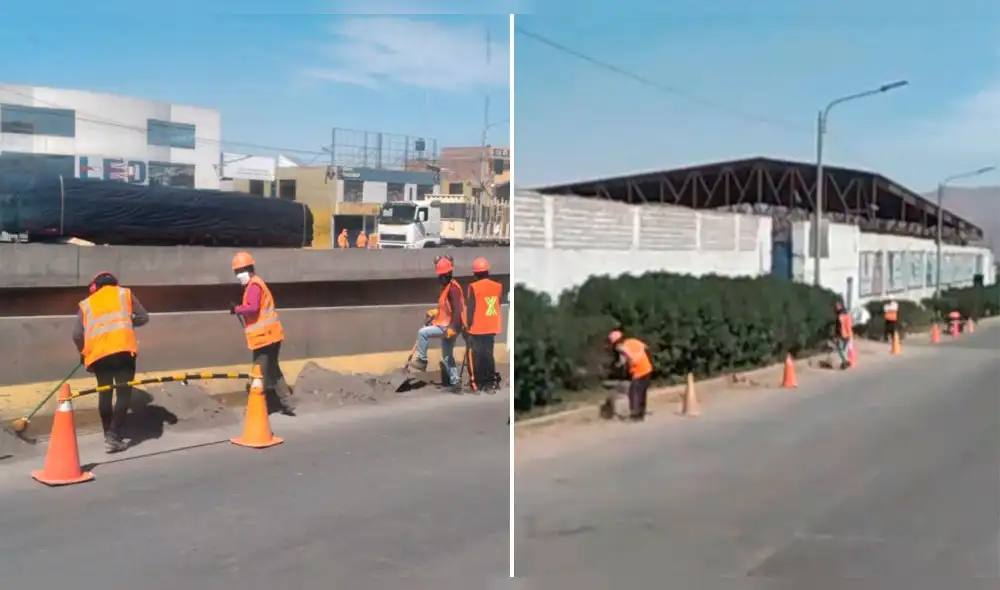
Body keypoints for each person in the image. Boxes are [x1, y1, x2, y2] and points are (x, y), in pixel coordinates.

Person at [72, 271, 150, 453]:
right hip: (123, 351)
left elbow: (76, 334)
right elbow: (144, 317)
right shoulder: (124, 294)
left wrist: (84, 352)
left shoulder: (86, 304)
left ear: (95, 287)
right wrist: (128, 320)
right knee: (123, 393)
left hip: (100, 356)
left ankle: (108, 432)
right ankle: (114, 435)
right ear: (115, 283)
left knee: (104, 392)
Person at [229, 252, 296, 416]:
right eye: (236, 272)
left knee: (259, 371)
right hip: (272, 334)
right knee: (273, 368)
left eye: (240, 271)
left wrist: (236, 309)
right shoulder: (256, 284)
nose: (238, 276)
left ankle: (255, 407)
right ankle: (287, 401)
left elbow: (252, 308)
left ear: (249, 269)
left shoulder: (254, 286)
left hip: (265, 337)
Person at [410, 255, 465, 392]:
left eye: (441, 276)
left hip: (448, 326)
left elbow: (458, 310)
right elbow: (446, 308)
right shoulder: (447, 287)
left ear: (447, 275)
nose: (439, 279)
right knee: (447, 356)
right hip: (447, 325)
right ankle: (455, 381)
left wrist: (453, 328)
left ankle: (422, 360)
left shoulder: (453, 289)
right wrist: (434, 312)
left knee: (423, 333)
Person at [464, 256, 503, 393]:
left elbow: (471, 308)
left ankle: (479, 383)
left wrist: (467, 326)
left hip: (477, 327)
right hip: (491, 326)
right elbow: (497, 303)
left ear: (475, 273)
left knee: (477, 356)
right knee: (488, 355)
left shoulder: (474, 287)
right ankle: (490, 383)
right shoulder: (497, 286)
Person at [604, 330, 653, 422]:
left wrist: (627, 361)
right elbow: (645, 347)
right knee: (642, 393)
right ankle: (641, 414)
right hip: (647, 368)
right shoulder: (632, 341)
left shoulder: (622, 348)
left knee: (634, 393)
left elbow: (631, 358)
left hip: (638, 371)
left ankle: (635, 415)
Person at [834, 300, 853, 370]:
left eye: (838, 306)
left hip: (842, 334)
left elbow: (841, 326)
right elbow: (849, 325)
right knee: (843, 349)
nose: (837, 307)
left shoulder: (841, 315)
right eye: (836, 306)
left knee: (840, 349)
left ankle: (846, 361)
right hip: (846, 334)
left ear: (841, 306)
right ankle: (844, 362)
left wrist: (837, 335)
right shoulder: (845, 314)